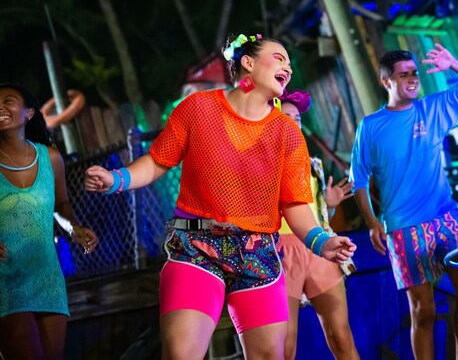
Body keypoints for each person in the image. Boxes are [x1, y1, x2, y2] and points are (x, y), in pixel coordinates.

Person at [83, 34, 355, 359]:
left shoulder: (287, 133)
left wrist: (321, 242)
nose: (289, 67)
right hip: (196, 246)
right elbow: (158, 160)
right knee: (181, 353)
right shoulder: (198, 108)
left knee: (272, 356)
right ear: (248, 62)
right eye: (279, 58)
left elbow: (294, 203)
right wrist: (116, 179)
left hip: (257, 252)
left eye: (289, 62)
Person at [351, 44, 458, 360]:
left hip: (445, 215)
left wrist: (452, 62)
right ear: (386, 81)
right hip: (404, 227)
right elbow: (358, 180)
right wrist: (371, 222)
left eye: (414, 73)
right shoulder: (371, 126)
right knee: (423, 310)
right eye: (404, 75)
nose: (412, 78)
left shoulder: (432, 109)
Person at [0, 82, 98, 360]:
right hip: (5, 277)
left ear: (29, 113)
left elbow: (61, 205)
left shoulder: (51, 158)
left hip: (46, 276)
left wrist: (73, 227)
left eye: (8, 101)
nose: (0, 107)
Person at [278, 90, 359, 360]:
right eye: (286, 117)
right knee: (284, 346)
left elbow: (315, 214)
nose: (293, 122)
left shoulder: (313, 165)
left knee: (341, 336)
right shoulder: (263, 163)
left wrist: (331, 204)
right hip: (280, 254)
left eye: (297, 118)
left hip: (318, 248)